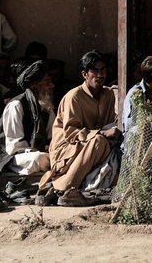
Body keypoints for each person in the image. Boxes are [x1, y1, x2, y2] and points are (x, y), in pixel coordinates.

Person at [39, 51, 121, 207]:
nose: (100, 74)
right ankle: (62, 187)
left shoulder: (109, 94)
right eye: (94, 71)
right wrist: (101, 133)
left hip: (93, 148)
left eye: (102, 70)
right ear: (84, 74)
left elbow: (108, 125)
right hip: (68, 149)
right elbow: (70, 133)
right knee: (99, 142)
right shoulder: (74, 97)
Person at [0, 60, 54, 175]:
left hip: (39, 152)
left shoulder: (47, 108)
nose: (52, 86)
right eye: (47, 82)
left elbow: (51, 136)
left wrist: (52, 146)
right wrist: (40, 150)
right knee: (41, 158)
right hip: (11, 156)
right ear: (35, 88)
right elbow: (14, 147)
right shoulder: (16, 105)